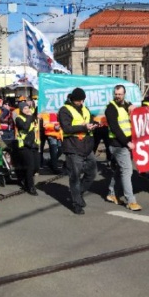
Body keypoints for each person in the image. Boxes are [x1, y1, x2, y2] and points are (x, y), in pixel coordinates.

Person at [58, 87, 98, 215]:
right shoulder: (64, 110)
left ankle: (78, 193)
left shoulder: (85, 108)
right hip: (73, 147)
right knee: (75, 177)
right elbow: (67, 128)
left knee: (92, 173)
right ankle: (77, 204)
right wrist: (84, 127)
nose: (81, 102)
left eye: (82, 100)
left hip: (87, 147)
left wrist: (94, 124)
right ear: (73, 99)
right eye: (79, 100)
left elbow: (89, 120)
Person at [105, 85, 141, 211]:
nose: (118, 96)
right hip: (118, 145)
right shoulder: (110, 108)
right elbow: (115, 128)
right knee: (127, 171)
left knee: (119, 170)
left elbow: (132, 111)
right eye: (116, 94)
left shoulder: (126, 104)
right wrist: (127, 143)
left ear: (124, 94)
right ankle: (131, 201)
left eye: (120, 94)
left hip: (125, 144)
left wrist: (133, 108)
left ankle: (111, 193)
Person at [15, 100, 41, 195]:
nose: (27, 110)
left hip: (34, 145)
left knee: (36, 167)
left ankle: (25, 178)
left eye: (28, 108)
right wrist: (30, 117)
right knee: (30, 166)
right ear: (21, 110)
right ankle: (30, 187)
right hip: (25, 146)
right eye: (25, 108)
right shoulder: (19, 118)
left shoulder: (32, 117)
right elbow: (25, 127)